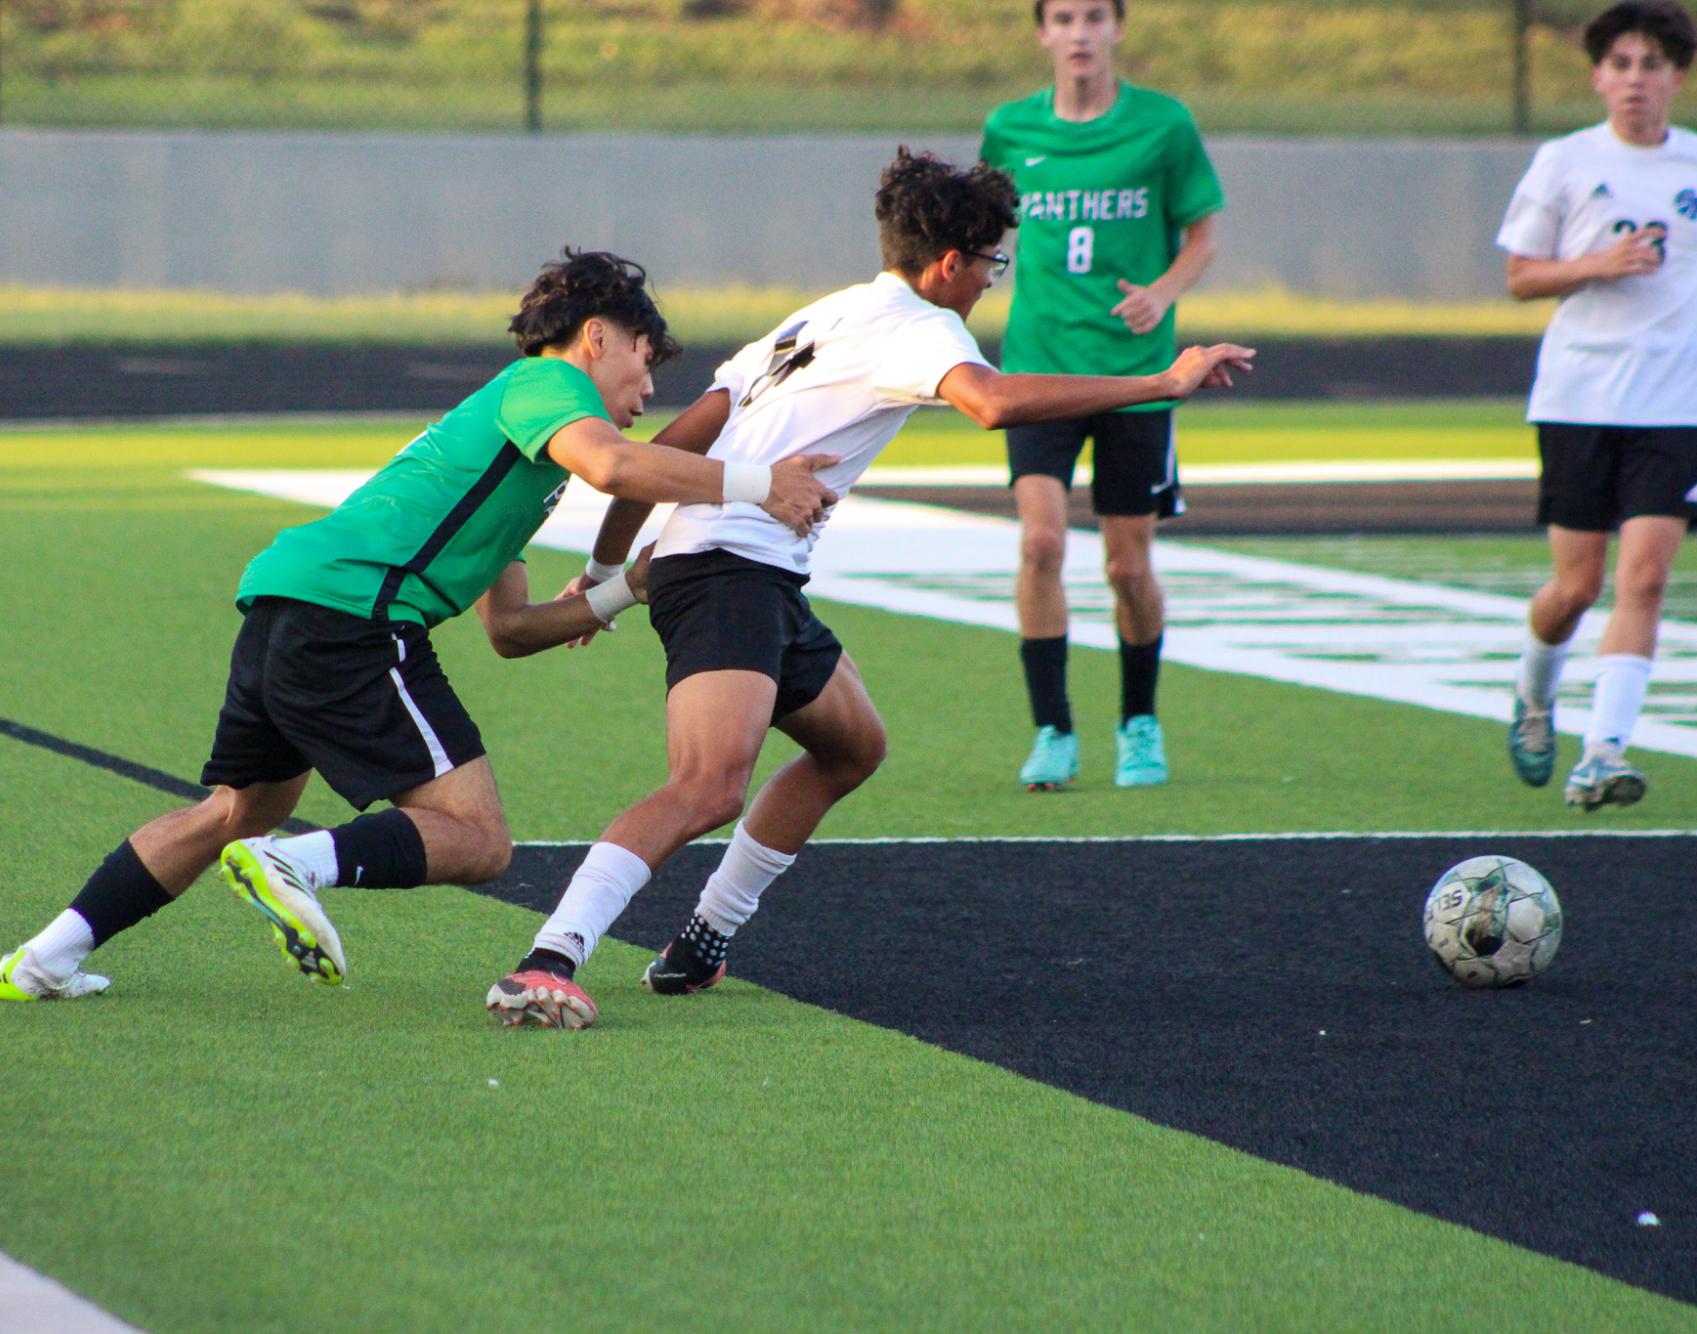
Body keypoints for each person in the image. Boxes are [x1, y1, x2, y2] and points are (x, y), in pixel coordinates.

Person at [484, 149, 1253, 1030]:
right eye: (991, 264)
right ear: (948, 264)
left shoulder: (819, 316)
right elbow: (991, 404)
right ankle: (550, 957)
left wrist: (604, 571)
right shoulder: (921, 326)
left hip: (752, 570)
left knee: (852, 748)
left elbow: (687, 435)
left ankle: (704, 937)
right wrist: (1160, 382)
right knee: (705, 785)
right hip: (729, 568)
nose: (991, 283)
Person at [0, 249, 840, 1000]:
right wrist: (757, 483)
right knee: (478, 840)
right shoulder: (546, 387)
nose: (649, 391)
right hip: (355, 617)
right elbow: (616, 468)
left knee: (234, 811)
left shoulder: (517, 455)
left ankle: (45, 957)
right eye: (644, 361)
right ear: (594, 338)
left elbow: (507, 629)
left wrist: (623, 591)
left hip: (291, 602)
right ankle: (300, 864)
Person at [978, 0, 1224, 792]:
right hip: (1038, 371)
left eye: (1093, 16)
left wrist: (1161, 292)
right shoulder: (1009, 130)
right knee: (1040, 544)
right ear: (1042, 33)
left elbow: (1201, 234)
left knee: (1126, 565)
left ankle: (1138, 724)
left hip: (1135, 379)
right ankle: (1052, 731)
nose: (1078, 31)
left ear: (1117, 28)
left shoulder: (1162, 125)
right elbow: (978, 234)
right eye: (1062, 17)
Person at [1498, 0, 1697, 812]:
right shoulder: (1564, 161)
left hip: (1676, 403)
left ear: (1676, 78)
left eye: (1651, 65)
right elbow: (1519, 278)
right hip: (1579, 395)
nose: (1634, 81)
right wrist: (1597, 262)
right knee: (1573, 589)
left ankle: (1603, 752)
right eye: (1620, 65)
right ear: (1596, 77)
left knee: (1644, 578)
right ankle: (1533, 689)